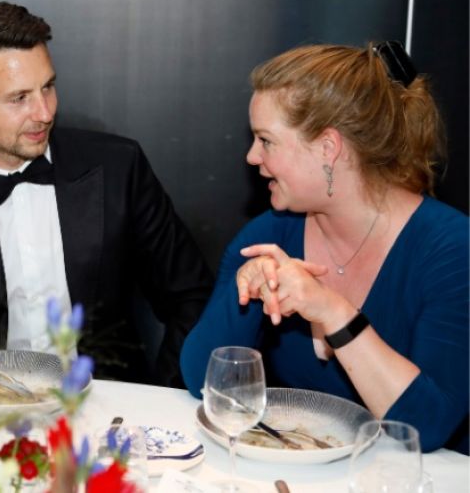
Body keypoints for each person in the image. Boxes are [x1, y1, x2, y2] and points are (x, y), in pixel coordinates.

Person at [0, 0, 213, 385]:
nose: (45, 112)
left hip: (105, 398)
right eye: (19, 98)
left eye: (48, 87)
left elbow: (191, 295)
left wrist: (161, 396)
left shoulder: (119, 167)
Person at [180, 43, 468, 452]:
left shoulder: (452, 249)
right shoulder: (271, 235)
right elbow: (201, 382)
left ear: (328, 148)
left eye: (266, 140)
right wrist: (247, 289)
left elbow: (428, 428)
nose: (252, 156)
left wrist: (334, 313)